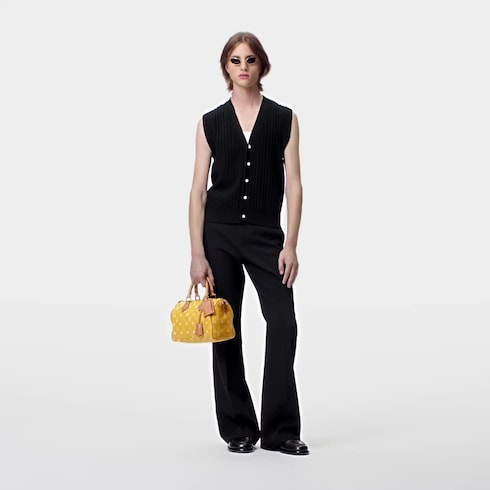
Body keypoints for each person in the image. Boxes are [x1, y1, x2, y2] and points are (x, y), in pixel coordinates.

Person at [188, 31, 308, 456]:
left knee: (283, 323)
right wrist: (197, 253)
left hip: (265, 236)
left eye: (250, 60)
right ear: (226, 67)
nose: (243, 67)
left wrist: (290, 244)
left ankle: (280, 431)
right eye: (236, 60)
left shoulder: (284, 118)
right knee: (226, 326)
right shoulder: (209, 123)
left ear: (262, 65)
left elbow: (294, 184)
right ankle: (238, 427)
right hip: (218, 234)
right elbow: (198, 190)